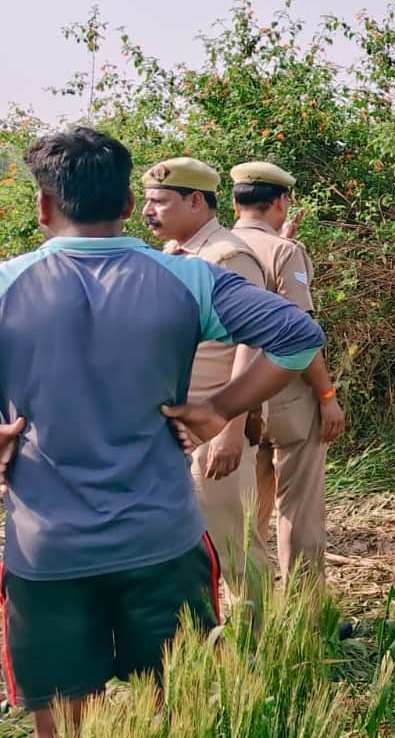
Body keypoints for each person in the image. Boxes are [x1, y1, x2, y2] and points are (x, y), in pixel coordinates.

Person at [0, 127, 324, 737]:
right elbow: (299, 335)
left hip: (49, 551)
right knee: (178, 712)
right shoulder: (188, 279)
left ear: (43, 206)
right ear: (127, 203)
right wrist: (221, 406)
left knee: (67, 725)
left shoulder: (7, 286)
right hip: (162, 542)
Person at [142, 157, 271, 615]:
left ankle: (258, 649)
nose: (147, 211)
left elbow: (253, 344)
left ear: (196, 201)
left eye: (159, 201)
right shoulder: (172, 258)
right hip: (178, 426)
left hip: (214, 426)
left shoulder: (227, 257)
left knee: (230, 542)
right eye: (146, 200)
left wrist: (232, 429)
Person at [230, 161, 345, 585]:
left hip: (229, 398)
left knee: (247, 510)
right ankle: (304, 614)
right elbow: (298, 334)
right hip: (284, 394)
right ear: (281, 201)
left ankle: (251, 612)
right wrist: (326, 395)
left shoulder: (214, 247)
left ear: (233, 200)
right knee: (299, 507)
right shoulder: (284, 252)